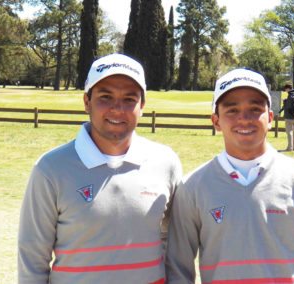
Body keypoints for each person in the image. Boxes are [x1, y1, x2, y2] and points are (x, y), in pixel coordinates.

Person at [165, 68, 294, 283]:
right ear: (216, 121)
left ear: (271, 118)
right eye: (232, 110)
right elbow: (178, 269)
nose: (244, 119)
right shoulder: (192, 187)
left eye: (255, 109)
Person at [18, 53, 182, 283]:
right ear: (87, 101)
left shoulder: (166, 162)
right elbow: (32, 259)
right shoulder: (50, 169)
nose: (117, 108)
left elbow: (176, 246)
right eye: (105, 97)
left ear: (142, 105)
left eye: (129, 99)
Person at [279, 84, 294, 151]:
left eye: (286, 89)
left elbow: (288, 107)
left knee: (289, 132)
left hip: (289, 116)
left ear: (288, 88)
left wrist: (284, 101)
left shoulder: (290, 95)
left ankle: (290, 147)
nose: (285, 91)